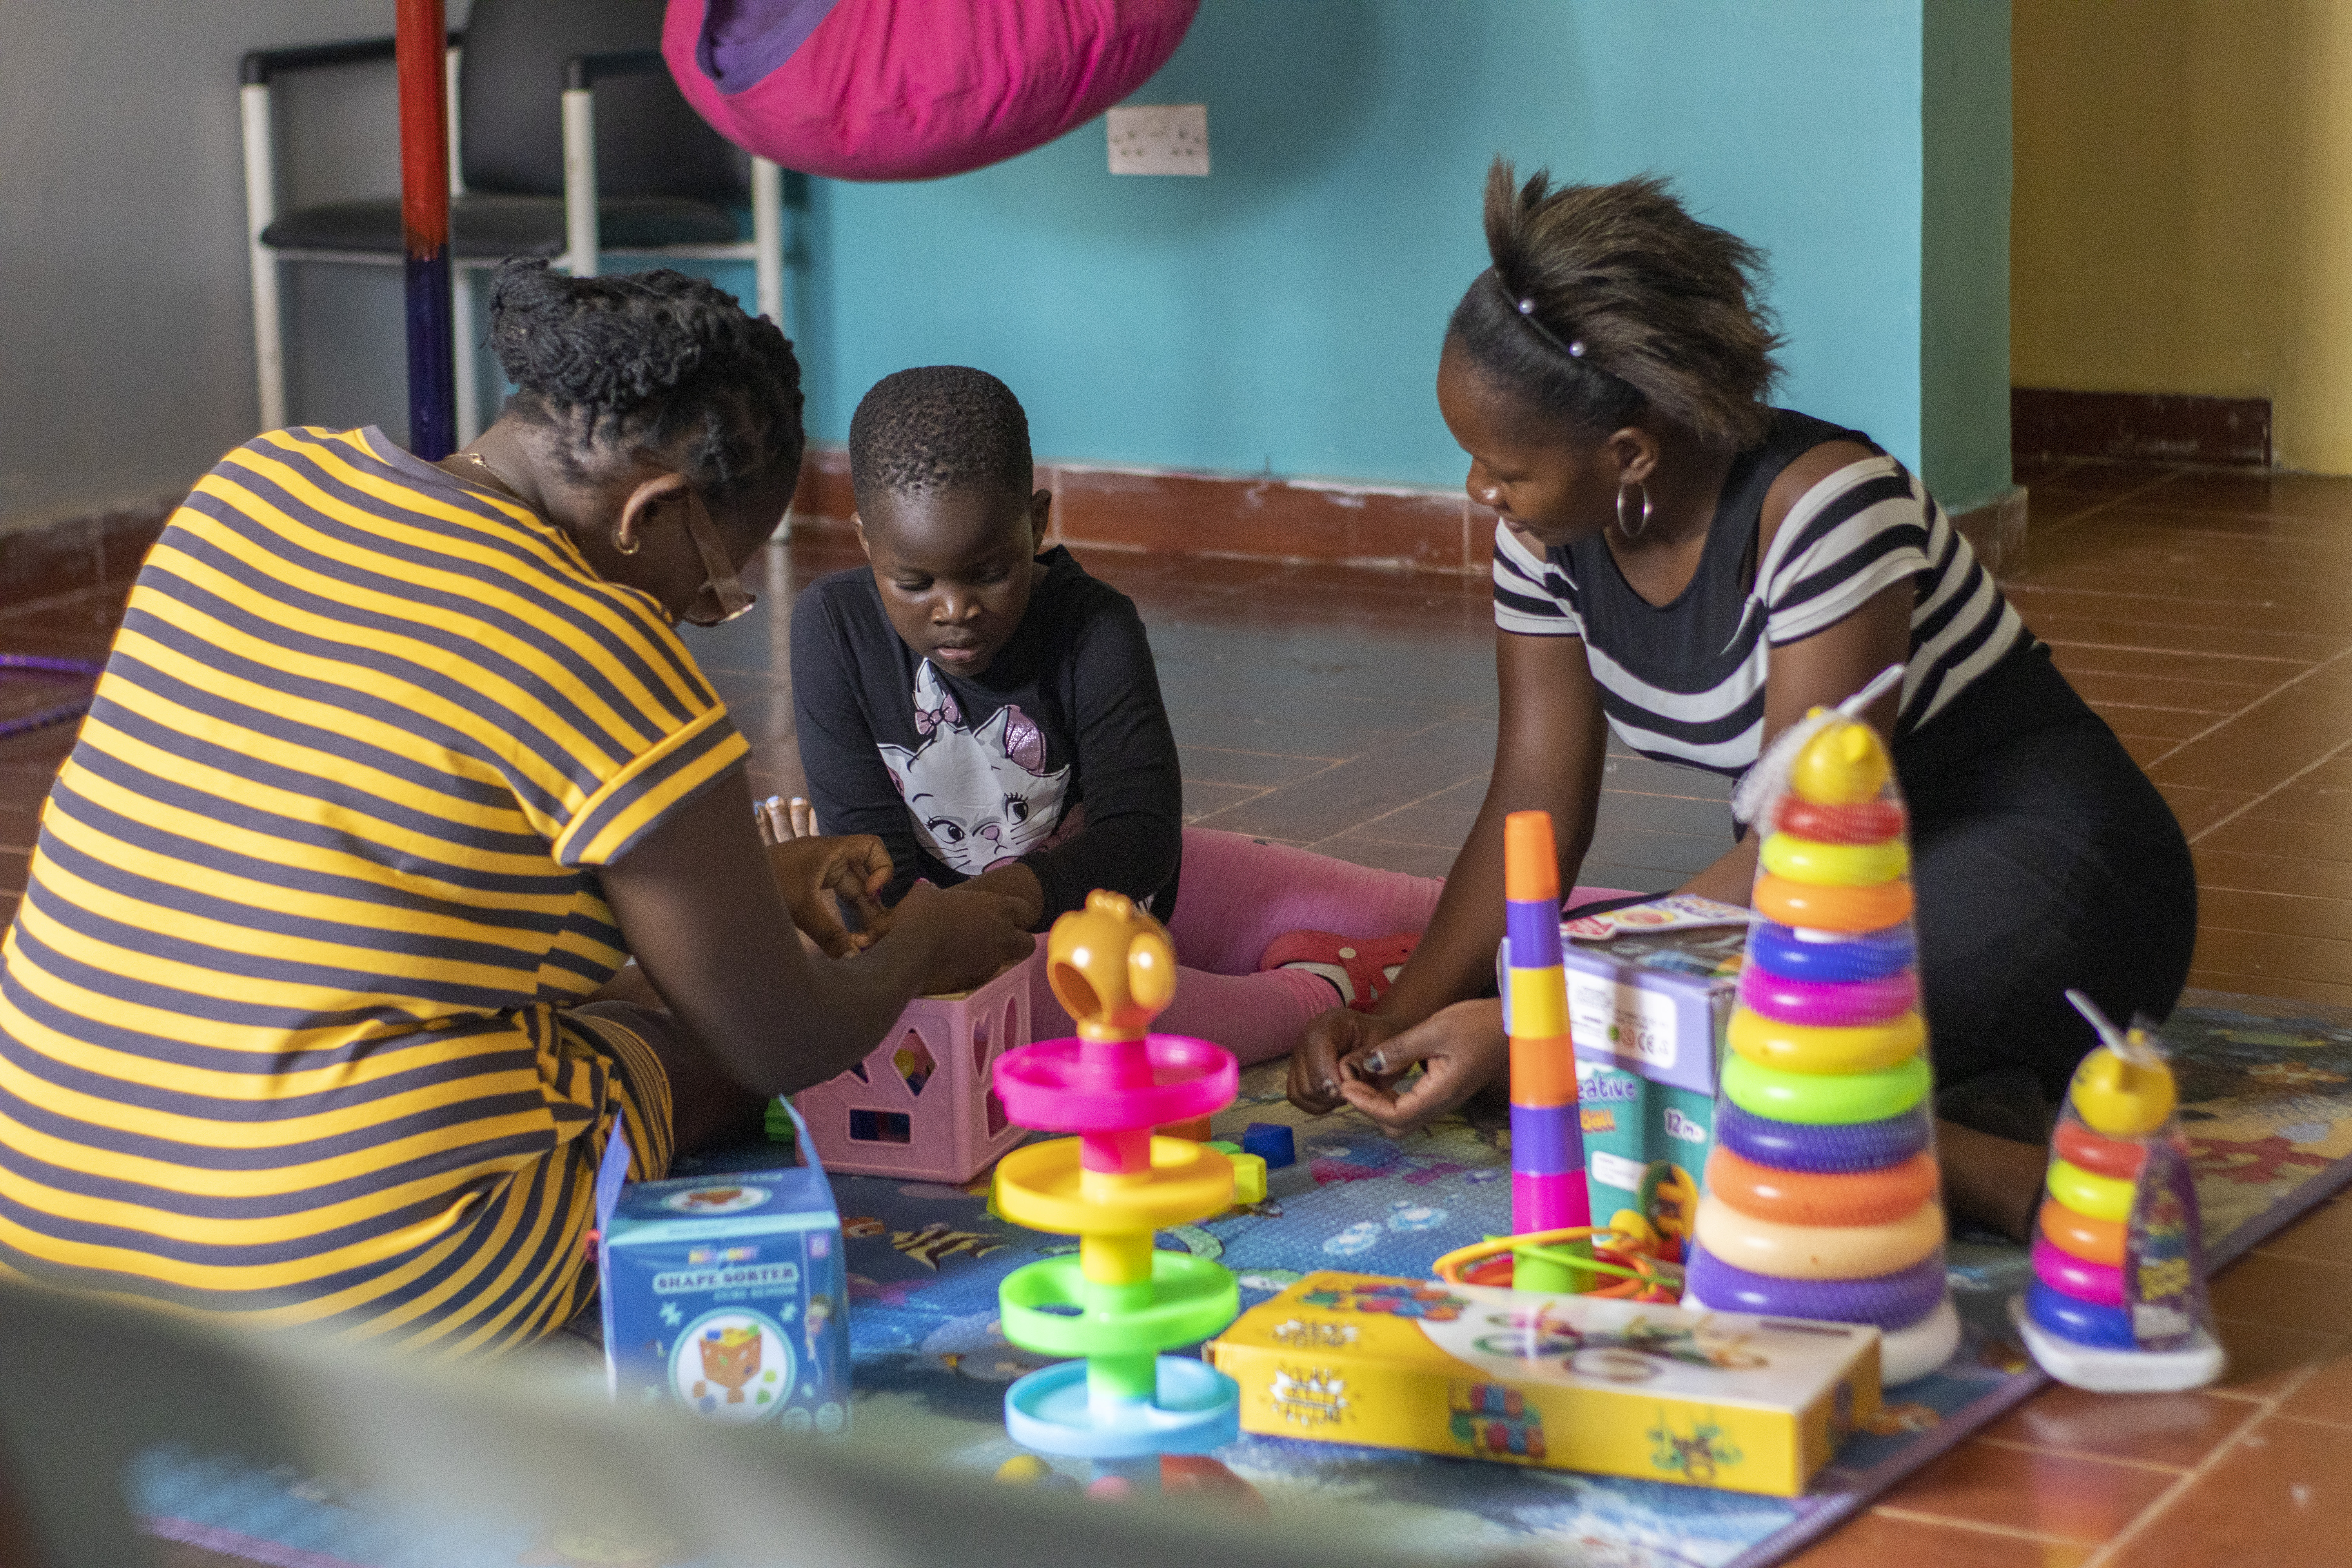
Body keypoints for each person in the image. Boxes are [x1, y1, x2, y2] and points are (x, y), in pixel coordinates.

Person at [0, 262, 1031, 1355]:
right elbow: (781, 1037)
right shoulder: (596, 639)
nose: (699, 613)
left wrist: (755, 882)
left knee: (579, 1001)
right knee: (675, 1047)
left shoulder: (258, 485)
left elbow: (377, 857)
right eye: (720, 585)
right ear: (653, 513)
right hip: (351, 1285)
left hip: (49, 1224)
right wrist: (927, 940)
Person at [1289, 165, 2197, 1240]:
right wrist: (1398, 1020)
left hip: (2045, 864)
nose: (1478, 491)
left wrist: (1553, 1024)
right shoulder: (1551, 534)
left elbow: (1809, 834)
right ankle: (1927, 1108)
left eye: (1502, 467)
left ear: (1628, 452)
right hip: (1820, 897)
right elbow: (1532, 796)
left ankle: (2002, 1176)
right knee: (1541, 1038)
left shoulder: (1828, 509)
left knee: (1627, 1051)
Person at [789, 367, 1539, 1062]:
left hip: (1134, 896)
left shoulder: (1096, 625)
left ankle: (1637, 925)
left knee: (1442, 908)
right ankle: (1328, 989)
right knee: (1050, 993)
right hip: (1016, 960)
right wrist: (946, 934)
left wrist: (1004, 899)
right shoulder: (832, 629)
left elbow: (1140, 838)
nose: (956, 610)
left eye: (990, 573)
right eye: (914, 582)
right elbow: (872, 866)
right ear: (865, 543)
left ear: (1037, 522)